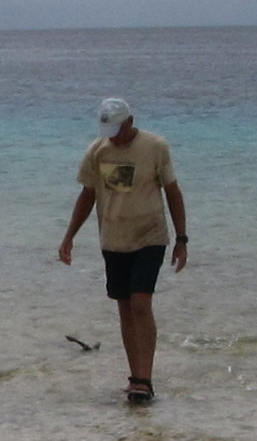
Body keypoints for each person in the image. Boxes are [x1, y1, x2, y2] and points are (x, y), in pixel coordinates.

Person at [57, 97, 188, 405]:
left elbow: (172, 191)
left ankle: (145, 377)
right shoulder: (97, 151)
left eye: (118, 128)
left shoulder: (155, 147)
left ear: (130, 121)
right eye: (109, 130)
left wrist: (182, 239)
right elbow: (87, 195)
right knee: (126, 309)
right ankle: (134, 377)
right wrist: (68, 237)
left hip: (150, 235)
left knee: (141, 303)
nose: (114, 135)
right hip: (114, 239)